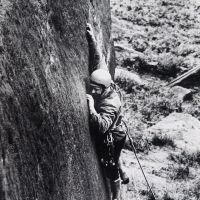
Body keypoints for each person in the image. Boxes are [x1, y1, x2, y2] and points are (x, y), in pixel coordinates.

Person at [86, 23, 129, 200]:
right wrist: (92, 40)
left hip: (114, 135)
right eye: (92, 88)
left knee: (109, 165)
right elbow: (98, 59)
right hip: (117, 128)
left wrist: (90, 106)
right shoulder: (104, 78)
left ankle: (116, 196)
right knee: (116, 155)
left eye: (96, 90)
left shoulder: (110, 103)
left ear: (105, 88)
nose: (93, 92)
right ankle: (124, 170)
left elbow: (102, 127)